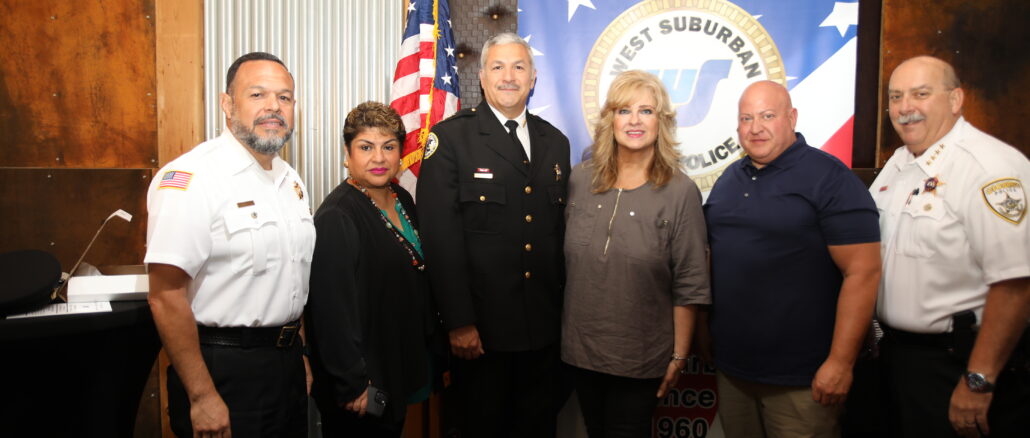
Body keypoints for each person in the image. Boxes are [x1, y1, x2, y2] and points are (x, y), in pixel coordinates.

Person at [701, 81, 881, 437]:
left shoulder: (830, 179)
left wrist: (840, 363)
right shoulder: (729, 179)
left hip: (804, 380)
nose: (755, 127)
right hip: (734, 373)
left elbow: (864, 272)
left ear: (792, 117)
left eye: (767, 116)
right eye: (746, 118)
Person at [145, 52, 313, 437]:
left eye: (284, 97)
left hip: (284, 366)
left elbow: (290, 278)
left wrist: (297, 353)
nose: (274, 107)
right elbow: (166, 296)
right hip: (222, 371)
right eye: (258, 94)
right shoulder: (191, 178)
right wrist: (202, 396)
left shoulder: (289, 180)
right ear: (226, 103)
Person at [416, 32, 571, 437]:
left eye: (519, 67)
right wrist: (459, 322)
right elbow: (440, 239)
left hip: (542, 332)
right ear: (482, 77)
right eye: (498, 67)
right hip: (480, 335)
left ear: (533, 78)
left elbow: (557, 237)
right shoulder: (450, 140)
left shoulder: (555, 143)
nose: (508, 76)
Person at [872, 55, 1030, 438]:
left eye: (920, 94)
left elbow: (1016, 285)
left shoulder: (990, 168)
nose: (905, 107)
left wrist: (979, 380)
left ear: (956, 99)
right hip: (896, 357)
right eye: (896, 97)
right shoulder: (899, 163)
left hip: (956, 362)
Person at [561, 70, 710, 437]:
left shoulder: (680, 192)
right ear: (610, 119)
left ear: (662, 122)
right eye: (624, 110)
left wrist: (679, 355)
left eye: (646, 111)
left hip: (641, 357)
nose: (634, 121)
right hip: (581, 352)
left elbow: (690, 281)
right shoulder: (581, 179)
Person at [305, 101, 438, 437]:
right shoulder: (338, 216)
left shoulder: (401, 199)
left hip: (395, 363)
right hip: (361, 382)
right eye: (366, 147)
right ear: (348, 154)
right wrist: (352, 383)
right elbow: (330, 312)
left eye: (388, 147)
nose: (379, 158)